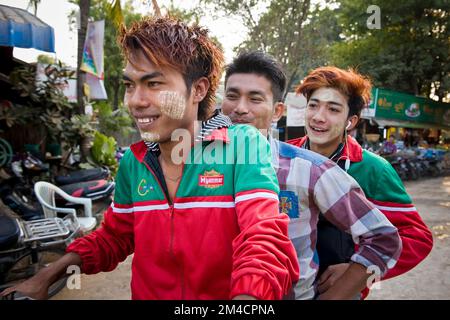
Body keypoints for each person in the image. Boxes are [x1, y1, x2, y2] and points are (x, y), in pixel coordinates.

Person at [0, 17, 299, 300]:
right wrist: (47, 276)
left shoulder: (242, 146)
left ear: (198, 89)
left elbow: (263, 238)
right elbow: (114, 236)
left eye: (154, 84)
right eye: (131, 85)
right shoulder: (134, 161)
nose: (135, 101)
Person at [221, 51, 402, 300]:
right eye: (232, 96)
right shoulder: (191, 170)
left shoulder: (311, 169)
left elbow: (385, 239)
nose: (240, 109)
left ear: (277, 111)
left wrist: (346, 283)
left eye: (255, 99)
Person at [288, 66, 433, 298]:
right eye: (313, 105)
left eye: (333, 109)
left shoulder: (373, 170)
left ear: (350, 121)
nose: (318, 116)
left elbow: (417, 237)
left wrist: (358, 269)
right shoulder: (283, 156)